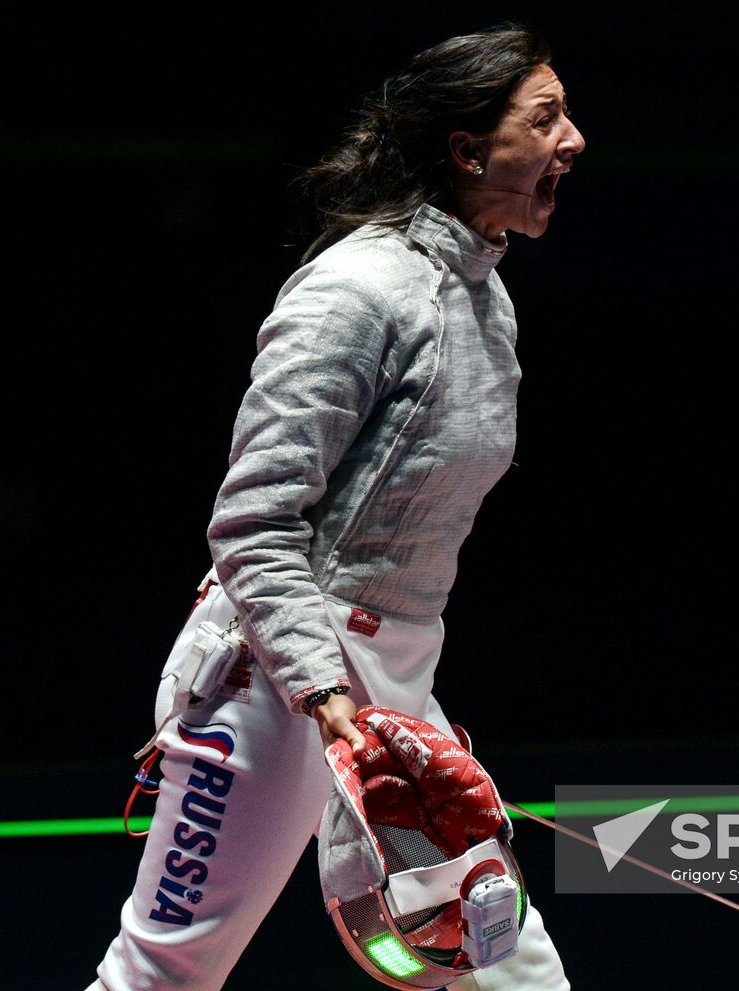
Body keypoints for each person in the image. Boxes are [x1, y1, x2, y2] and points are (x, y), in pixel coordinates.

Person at [86, 23, 585, 991]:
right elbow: (253, 518)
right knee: (164, 969)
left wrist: (379, 695)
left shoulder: (484, 296)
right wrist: (325, 694)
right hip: (278, 681)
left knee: (501, 966)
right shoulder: (356, 288)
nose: (571, 138)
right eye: (545, 116)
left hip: (390, 680)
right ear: (468, 149)